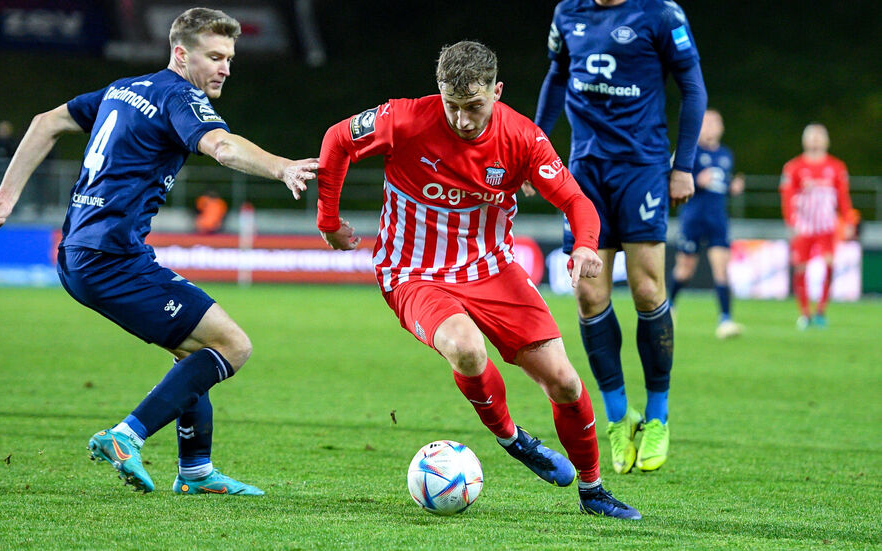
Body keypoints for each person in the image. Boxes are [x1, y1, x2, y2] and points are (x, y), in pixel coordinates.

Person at [0, 8, 318, 495]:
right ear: (180, 53)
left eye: (230, 58)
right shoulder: (180, 96)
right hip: (111, 258)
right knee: (233, 346)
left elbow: (46, 122)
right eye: (214, 56)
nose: (225, 68)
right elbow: (223, 147)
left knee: (193, 349)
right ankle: (126, 436)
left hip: (80, 253)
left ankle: (195, 471)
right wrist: (281, 168)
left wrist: (6, 197)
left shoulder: (123, 88)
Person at [317, 41, 640, 519]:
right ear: (439, 93)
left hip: (493, 268)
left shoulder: (524, 139)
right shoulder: (402, 119)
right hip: (412, 272)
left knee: (566, 383)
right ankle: (511, 437)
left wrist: (586, 244)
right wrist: (329, 220)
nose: (463, 119)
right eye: (453, 106)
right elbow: (337, 139)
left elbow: (575, 200)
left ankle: (593, 491)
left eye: (474, 106)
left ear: (497, 91)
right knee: (466, 348)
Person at [532, 0, 707, 474]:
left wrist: (684, 164)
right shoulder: (567, 12)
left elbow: (693, 88)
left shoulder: (661, 14)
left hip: (643, 166)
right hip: (585, 167)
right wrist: (535, 144)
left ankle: (658, 417)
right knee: (588, 294)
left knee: (648, 288)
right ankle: (617, 417)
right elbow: (556, 78)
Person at [670, 109, 745, 339]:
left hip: (717, 219)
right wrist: (696, 181)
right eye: (707, 122)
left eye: (716, 122)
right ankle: (669, 307)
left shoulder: (726, 155)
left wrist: (733, 187)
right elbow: (672, 180)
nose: (712, 126)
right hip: (693, 218)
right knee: (685, 268)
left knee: (721, 269)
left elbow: (722, 184)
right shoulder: (688, 151)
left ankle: (725, 319)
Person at [780, 123, 852, 330]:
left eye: (820, 136)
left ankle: (821, 311)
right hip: (803, 227)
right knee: (801, 267)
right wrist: (791, 222)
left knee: (829, 264)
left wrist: (847, 221)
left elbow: (843, 198)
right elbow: (787, 197)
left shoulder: (837, 167)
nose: (815, 140)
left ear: (826, 140)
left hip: (827, 227)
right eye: (811, 136)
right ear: (804, 140)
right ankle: (805, 313)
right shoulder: (793, 167)